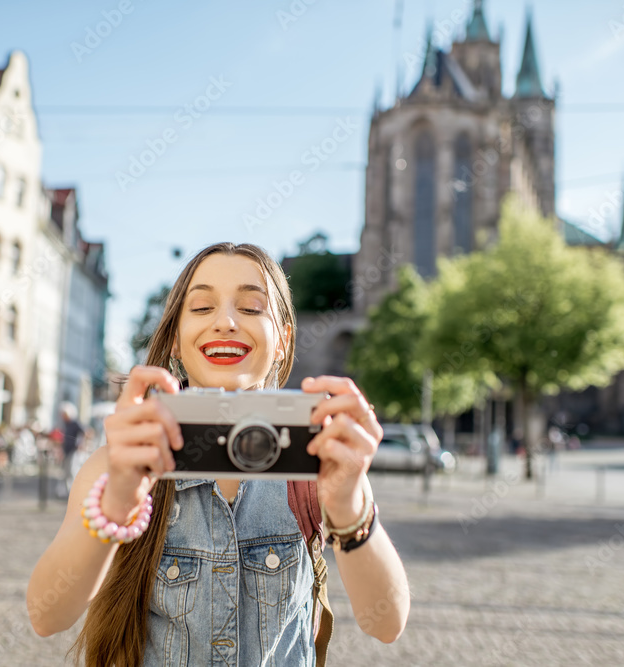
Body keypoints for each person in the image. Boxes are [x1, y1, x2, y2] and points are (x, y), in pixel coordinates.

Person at [27, 243, 409, 666]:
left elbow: (387, 624)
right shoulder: (124, 462)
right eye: (202, 307)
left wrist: (348, 504)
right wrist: (117, 501)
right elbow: (47, 616)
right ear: (174, 338)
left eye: (250, 308)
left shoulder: (319, 457)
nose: (225, 322)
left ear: (282, 340)